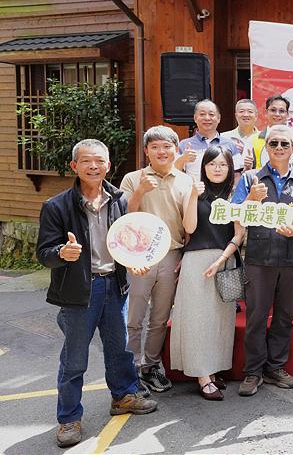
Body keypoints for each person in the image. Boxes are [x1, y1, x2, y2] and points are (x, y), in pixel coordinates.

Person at [36, 139, 158, 448]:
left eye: (99, 161)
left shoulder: (118, 200)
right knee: (74, 359)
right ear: (74, 166)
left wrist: (136, 261)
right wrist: (62, 252)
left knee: (120, 350)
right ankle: (68, 418)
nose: (94, 166)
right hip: (79, 291)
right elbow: (44, 253)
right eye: (87, 161)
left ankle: (123, 397)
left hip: (113, 286)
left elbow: (126, 241)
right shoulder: (56, 206)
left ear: (108, 166)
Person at [232, 125, 293, 396]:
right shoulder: (250, 179)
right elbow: (239, 218)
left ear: (292, 149)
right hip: (259, 258)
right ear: (265, 148)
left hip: (292, 258)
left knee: (284, 316)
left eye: (284, 144)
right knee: (256, 317)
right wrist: (250, 199)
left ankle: (275, 367)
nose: (279, 148)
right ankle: (253, 371)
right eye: (274, 144)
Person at [169, 145, 246, 400]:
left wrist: (223, 258)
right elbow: (189, 226)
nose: (217, 169)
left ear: (230, 168)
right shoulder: (195, 194)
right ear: (204, 167)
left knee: (220, 320)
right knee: (198, 320)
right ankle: (202, 376)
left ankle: (212, 371)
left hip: (224, 262)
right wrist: (192, 195)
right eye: (212, 164)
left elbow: (239, 234)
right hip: (197, 263)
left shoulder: (234, 197)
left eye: (223, 165)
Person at [121, 126, 194, 393]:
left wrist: (185, 256)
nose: (162, 152)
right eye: (155, 147)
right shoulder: (133, 178)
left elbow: (189, 226)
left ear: (176, 150)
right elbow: (122, 217)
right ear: (146, 152)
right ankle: (129, 369)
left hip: (172, 255)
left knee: (160, 318)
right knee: (133, 316)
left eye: (167, 147)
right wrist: (140, 190)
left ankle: (150, 367)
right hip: (138, 257)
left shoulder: (185, 181)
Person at [176, 100, 243, 181]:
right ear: (195, 118)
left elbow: (236, 174)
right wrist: (183, 159)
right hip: (194, 192)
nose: (207, 118)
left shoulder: (230, 144)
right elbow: (176, 172)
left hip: (224, 193)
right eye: (202, 114)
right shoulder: (184, 145)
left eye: (211, 114)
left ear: (218, 118)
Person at [252, 95, 293, 170]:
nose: (277, 114)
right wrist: (247, 167)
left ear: (287, 114)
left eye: (281, 111)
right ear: (266, 112)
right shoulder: (253, 140)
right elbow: (247, 171)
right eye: (273, 110)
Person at [221, 98, 258, 171]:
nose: (246, 115)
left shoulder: (263, 138)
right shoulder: (223, 138)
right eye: (241, 111)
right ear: (236, 115)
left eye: (250, 112)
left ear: (256, 116)